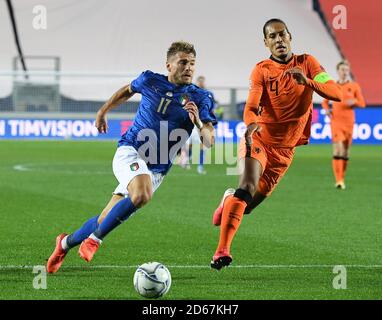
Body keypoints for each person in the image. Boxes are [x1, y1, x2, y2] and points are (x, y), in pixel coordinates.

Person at [46, 41, 217, 273]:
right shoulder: (150, 80)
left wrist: (197, 122)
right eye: (183, 62)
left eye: (192, 64)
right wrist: (103, 110)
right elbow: (128, 90)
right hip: (131, 151)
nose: (189, 68)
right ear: (169, 65)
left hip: (156, 169)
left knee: (104, 218)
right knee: (142, 194)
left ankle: (64, 244)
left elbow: (209, 141)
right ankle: (95, 240)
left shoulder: (201, 97)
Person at [210, 18, 343, 270]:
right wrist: (250, 124)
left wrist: (309, 82)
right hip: (259, 138)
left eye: (282, 34)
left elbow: (337, 93)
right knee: (246, 186)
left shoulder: (308, 63)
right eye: (272, 36)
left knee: (246, 206)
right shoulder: (261, 70)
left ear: (290, 36)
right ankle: (221, 252)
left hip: (285, 151)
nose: (278, 40)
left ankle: (228, 200)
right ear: (266, 42)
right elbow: (251, 105)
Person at [322, 60, 366, 189]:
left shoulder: (354, 86)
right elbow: (325, 101)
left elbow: (362, 103)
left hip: (349, 122)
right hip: (336, 121)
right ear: (338, 71)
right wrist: (326, 110)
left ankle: (342, 178)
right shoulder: (333, 86)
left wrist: (354, 102)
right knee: (338, 148)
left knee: (346, 152)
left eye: (346, 70)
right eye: (342, 70)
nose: (345, 72)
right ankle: (339, 180)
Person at [178, 76, 217, 174]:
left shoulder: (209, 94)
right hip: (192, 123)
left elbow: (212, 107)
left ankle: (200, 167)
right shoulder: (191, 93)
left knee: (203, 146)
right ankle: (186, 160)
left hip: (203, 123)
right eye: (199, 82)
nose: (201, 84)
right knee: (189, 145)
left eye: (202, 82)